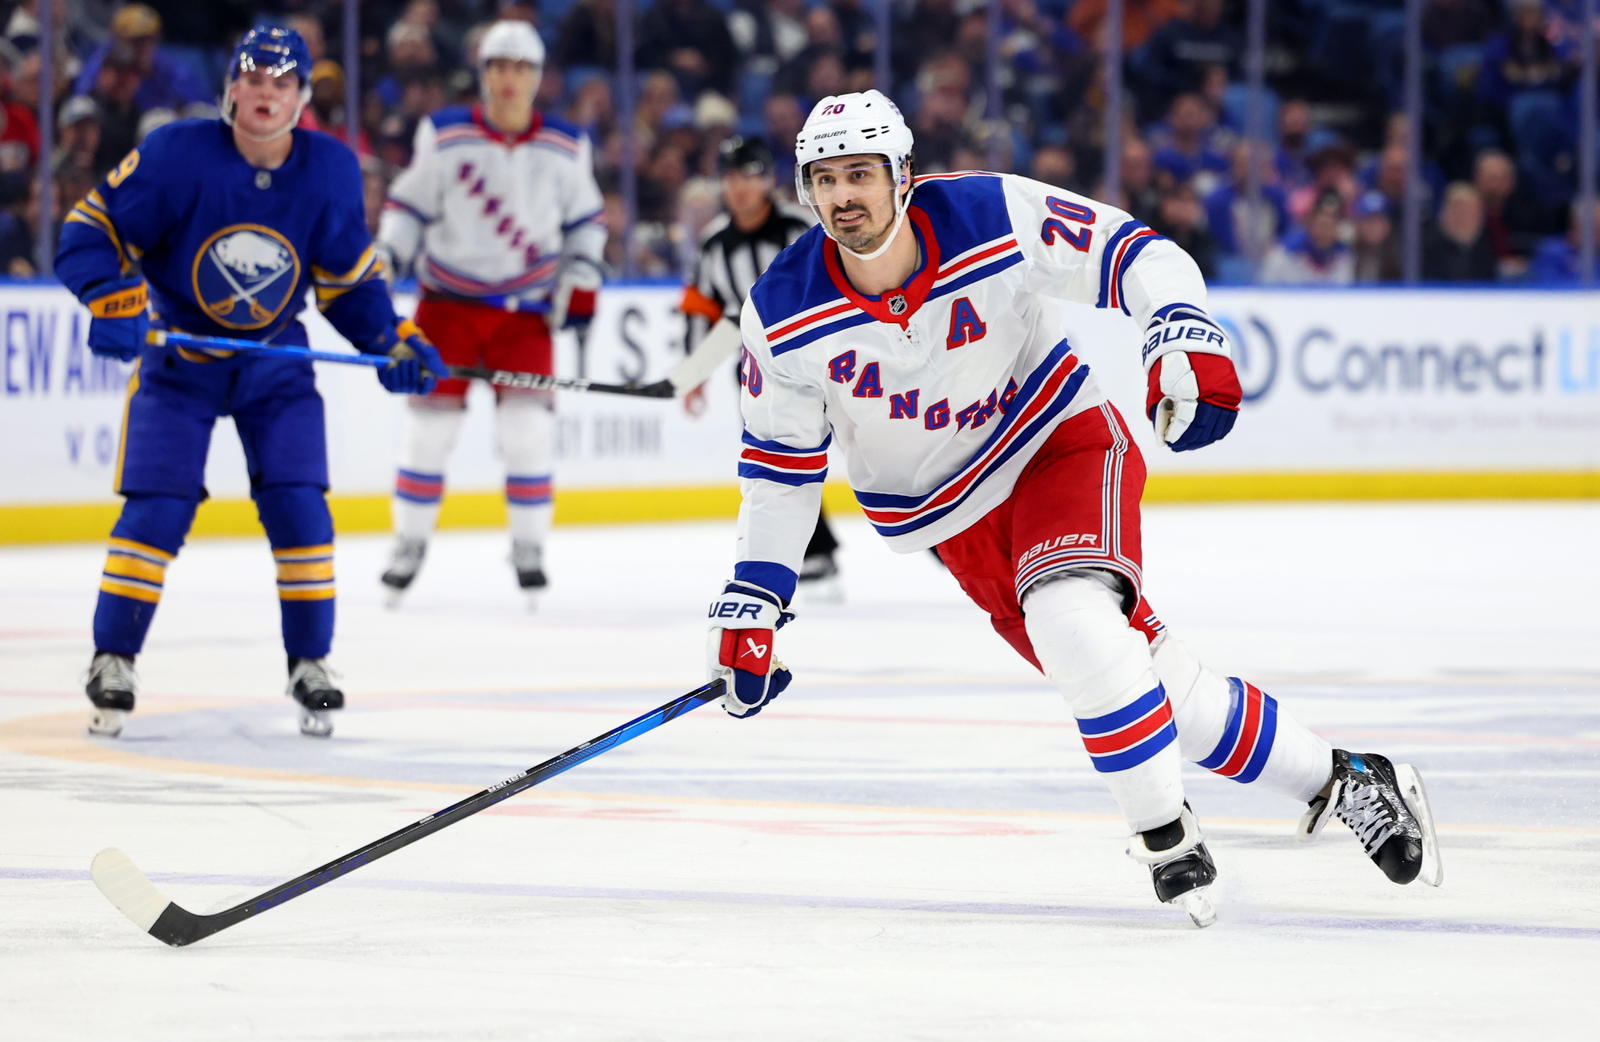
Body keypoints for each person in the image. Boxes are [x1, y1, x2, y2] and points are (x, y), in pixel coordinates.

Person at [702, 90, 1441, 924]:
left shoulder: (990, 213)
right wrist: (756, 595)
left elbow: (1136, 254)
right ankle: (1347, 780)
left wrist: (1180, 330)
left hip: (1060, 446)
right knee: (1154, 686)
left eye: (863, 173)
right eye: (827, 178)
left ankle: (1167, 840)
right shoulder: (784, 308)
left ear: (903, 174)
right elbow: (780, 468)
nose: (845, 195)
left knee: (1072, 621)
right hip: (955, 527)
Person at [54, 25, 447, 739]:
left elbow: (348, 281)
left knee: (302, 510)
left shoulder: (329, 170)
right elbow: (91, 229)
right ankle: (112, 657)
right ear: (231, 87)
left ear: (302, 96)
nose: (266, 93)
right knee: (156, 510)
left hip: (275, 363)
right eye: (255, 78)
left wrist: (393, 339)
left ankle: (311, 664)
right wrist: (108, 298)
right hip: (180, 362)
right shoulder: (176, 155)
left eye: (283, 82)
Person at [375, 21, 605, 607]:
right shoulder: (445, 134)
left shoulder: (565, 145)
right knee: (429, 433)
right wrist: (387, 255)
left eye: (521, 68)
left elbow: (586, 223)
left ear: (537, 77)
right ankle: (409, 543)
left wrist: (582, 278)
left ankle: (528, 548)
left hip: (524, 312)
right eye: (498, 67)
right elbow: (409, 204)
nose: (509, 80)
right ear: (483, 75)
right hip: (447, 306)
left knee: (527, 435)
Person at [681, 136, 845, 599]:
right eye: (731, 177)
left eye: (749, 175)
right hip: (761, 372)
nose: (739, 187)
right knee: (779, 458)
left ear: (769, 180)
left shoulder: (801, 228)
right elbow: (701, 308)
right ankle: (813, 554)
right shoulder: (715, 244)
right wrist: (693, 374)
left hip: (834, 359)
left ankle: (944, 533)